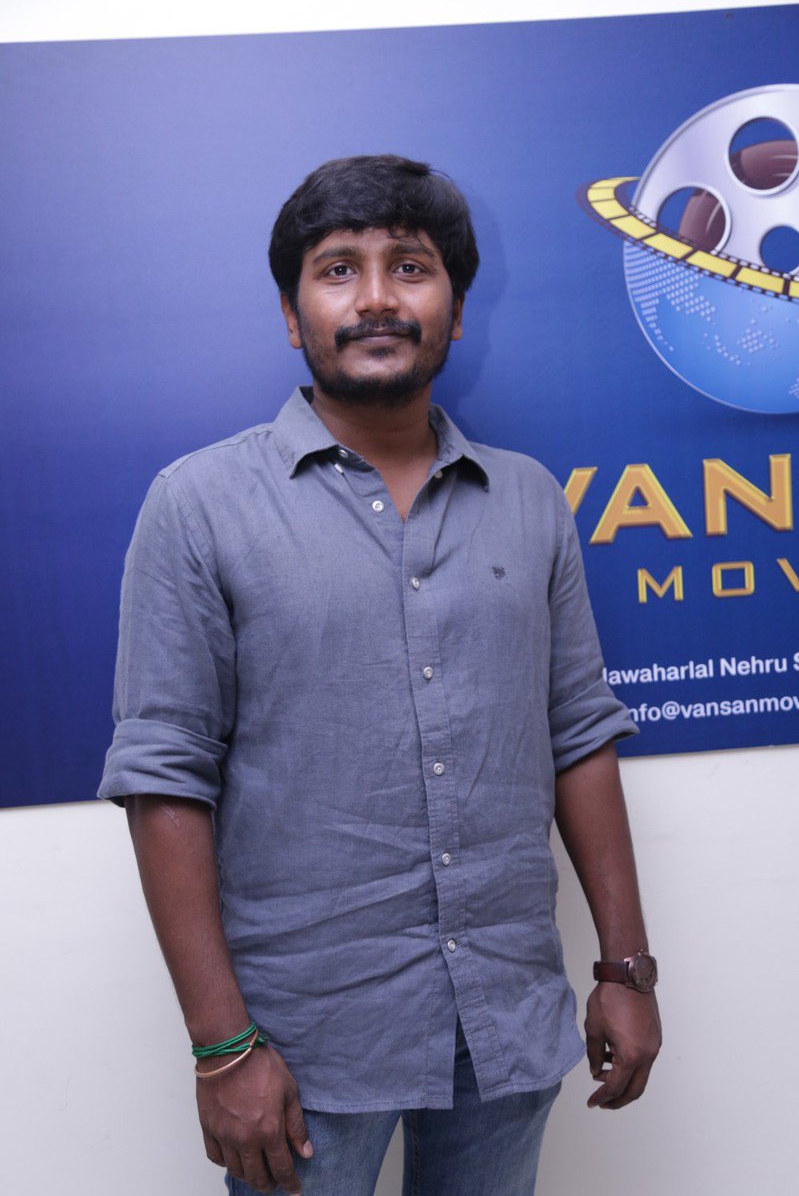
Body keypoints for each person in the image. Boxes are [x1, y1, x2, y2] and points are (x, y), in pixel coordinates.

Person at [99, 154, 661, 1196]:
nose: (374, 299)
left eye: (409, 267)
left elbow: (578, 732)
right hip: (302, 1042)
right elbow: (163, 776)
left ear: (455, 308)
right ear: (291, 314)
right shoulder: (198, 505)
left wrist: (625, 968)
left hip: (505, 1017)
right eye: (337, 270)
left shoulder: (529, 501)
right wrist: (222, 1047)